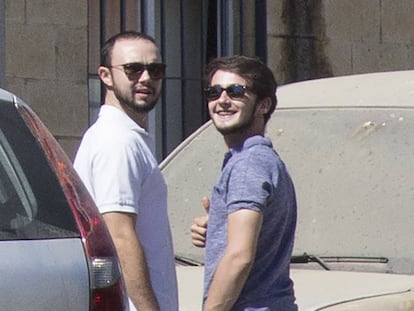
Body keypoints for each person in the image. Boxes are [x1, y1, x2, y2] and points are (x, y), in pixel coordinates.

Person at [74, 31, 178, 311]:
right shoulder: (118, 141)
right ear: (105, 76)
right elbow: (120, 235)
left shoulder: (122, 136)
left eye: (155, 70)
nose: (145, 78)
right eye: (133, 69)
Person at [191, 55, 298, 310]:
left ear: (263, 105)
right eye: (214, 92)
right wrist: (218, 224)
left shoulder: (249, 163)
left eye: (236, 91)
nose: (222, 101)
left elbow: (239, 256)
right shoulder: (256, 159)